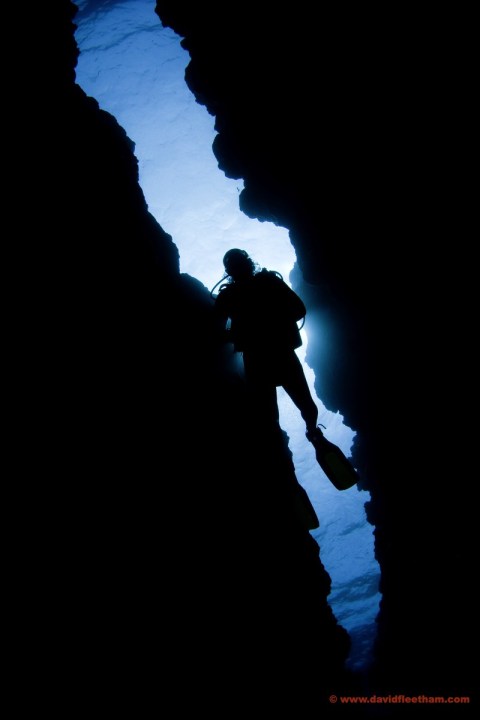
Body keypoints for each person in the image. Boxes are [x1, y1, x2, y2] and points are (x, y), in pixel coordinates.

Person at [214, 248, 323, 444]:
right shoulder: (268, 282)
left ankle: (308, 433)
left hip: (259, 358)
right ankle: (313, 432)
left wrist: (240, 333)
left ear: (228, 271)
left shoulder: (231, 294)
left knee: (273, 416)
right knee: (302, 407)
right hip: (280, 352)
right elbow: (299, 310)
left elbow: (216, 332)